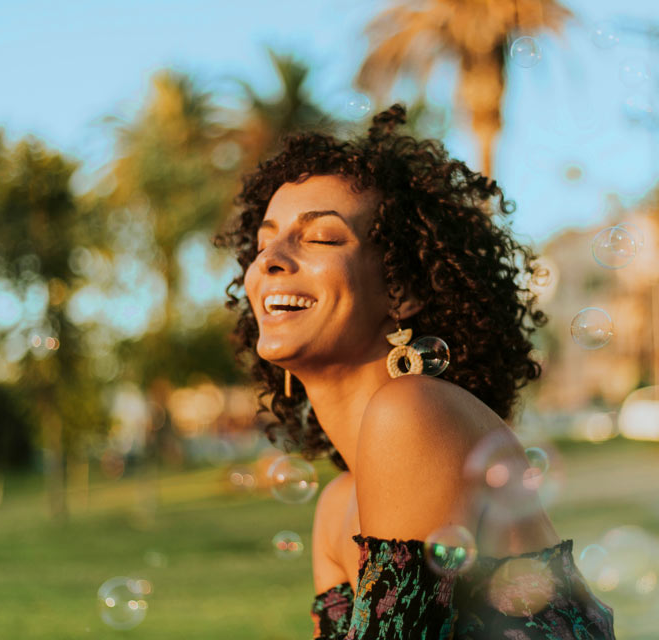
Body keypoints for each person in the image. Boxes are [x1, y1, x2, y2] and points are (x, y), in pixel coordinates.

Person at [214, 104, 615, 639]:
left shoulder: (414, 412)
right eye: (264, 244)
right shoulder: (337, 508)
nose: (269, 262)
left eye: (322, 238)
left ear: (401, 291)